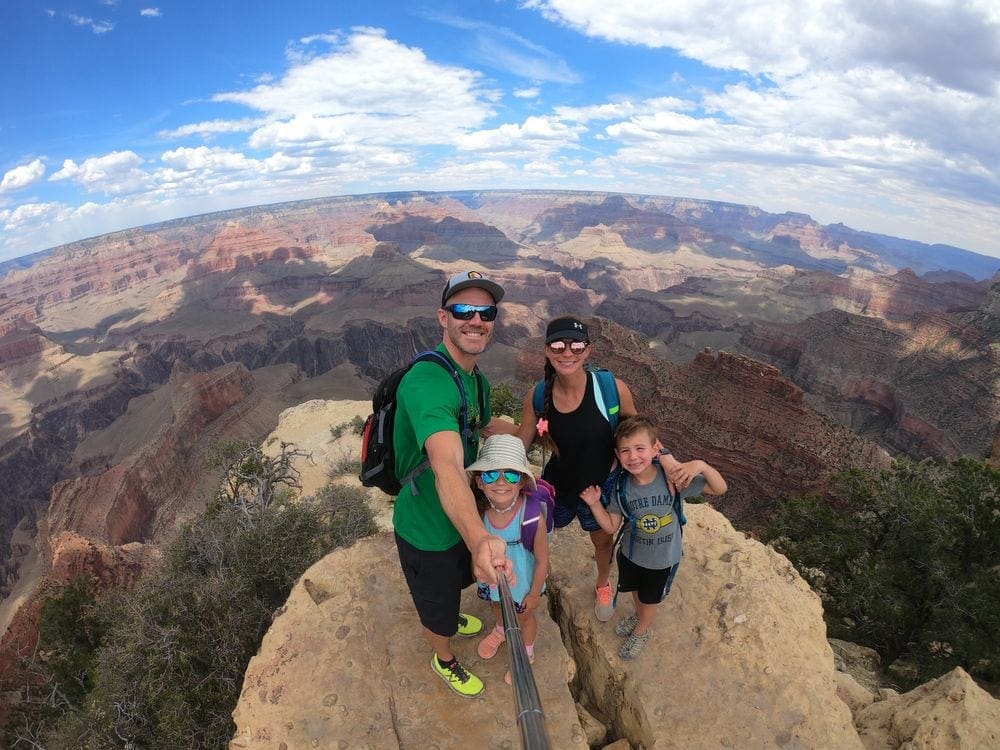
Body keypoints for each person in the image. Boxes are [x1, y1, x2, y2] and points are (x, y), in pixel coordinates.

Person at [516, 315, 696, 622]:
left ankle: (602, 583)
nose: (567, 352)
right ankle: (536, 580)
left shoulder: (612, 389)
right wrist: (497, 472)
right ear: (547, 350)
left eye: (576, 345)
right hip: (557, 486)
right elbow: (523, 440)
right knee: (537, 536)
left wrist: (663, 457)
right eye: (558, 345)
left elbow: (638, 431)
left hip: (600, 488)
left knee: (601, 541)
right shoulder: (537, 395)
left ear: (588, 350)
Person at [393, 270, 515, 698]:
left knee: (453, 588)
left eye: (487, 312)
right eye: (464, 310)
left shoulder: (476, 379)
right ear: (443, 318)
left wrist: (529, 433)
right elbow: (447, 464)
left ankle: (448, 616)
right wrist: (481, 538)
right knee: (436, 606)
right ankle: (443, 656)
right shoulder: (426, 383)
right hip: (426, 529)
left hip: (457, 521)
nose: (476, 320)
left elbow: (478, 425)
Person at [580, 415, 727, 659]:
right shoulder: (621, 487)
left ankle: (642, 630)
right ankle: (639, 616)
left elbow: (719, 488)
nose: (633, 456)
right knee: (636, 591)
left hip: (662, 559)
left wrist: (700, 465)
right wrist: (595, 505)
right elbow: (610, 526)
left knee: (650, 599)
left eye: (640, 449)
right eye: (625, 451)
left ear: (655, 449)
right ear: (618, 455)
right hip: (632, 554)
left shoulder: (672, 478)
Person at [467, 434, 549, 685]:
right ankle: (502, 629)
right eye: (492, 475)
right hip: (494, 580)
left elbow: (543, 560)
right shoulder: (479, 514)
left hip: (523, 583)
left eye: (511, 475)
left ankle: (526, 653)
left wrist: (534, 595)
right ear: (480, 482)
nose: (501, 482)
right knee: (496, 605)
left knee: (524, 618)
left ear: (522, 481)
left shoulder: (533, 517)